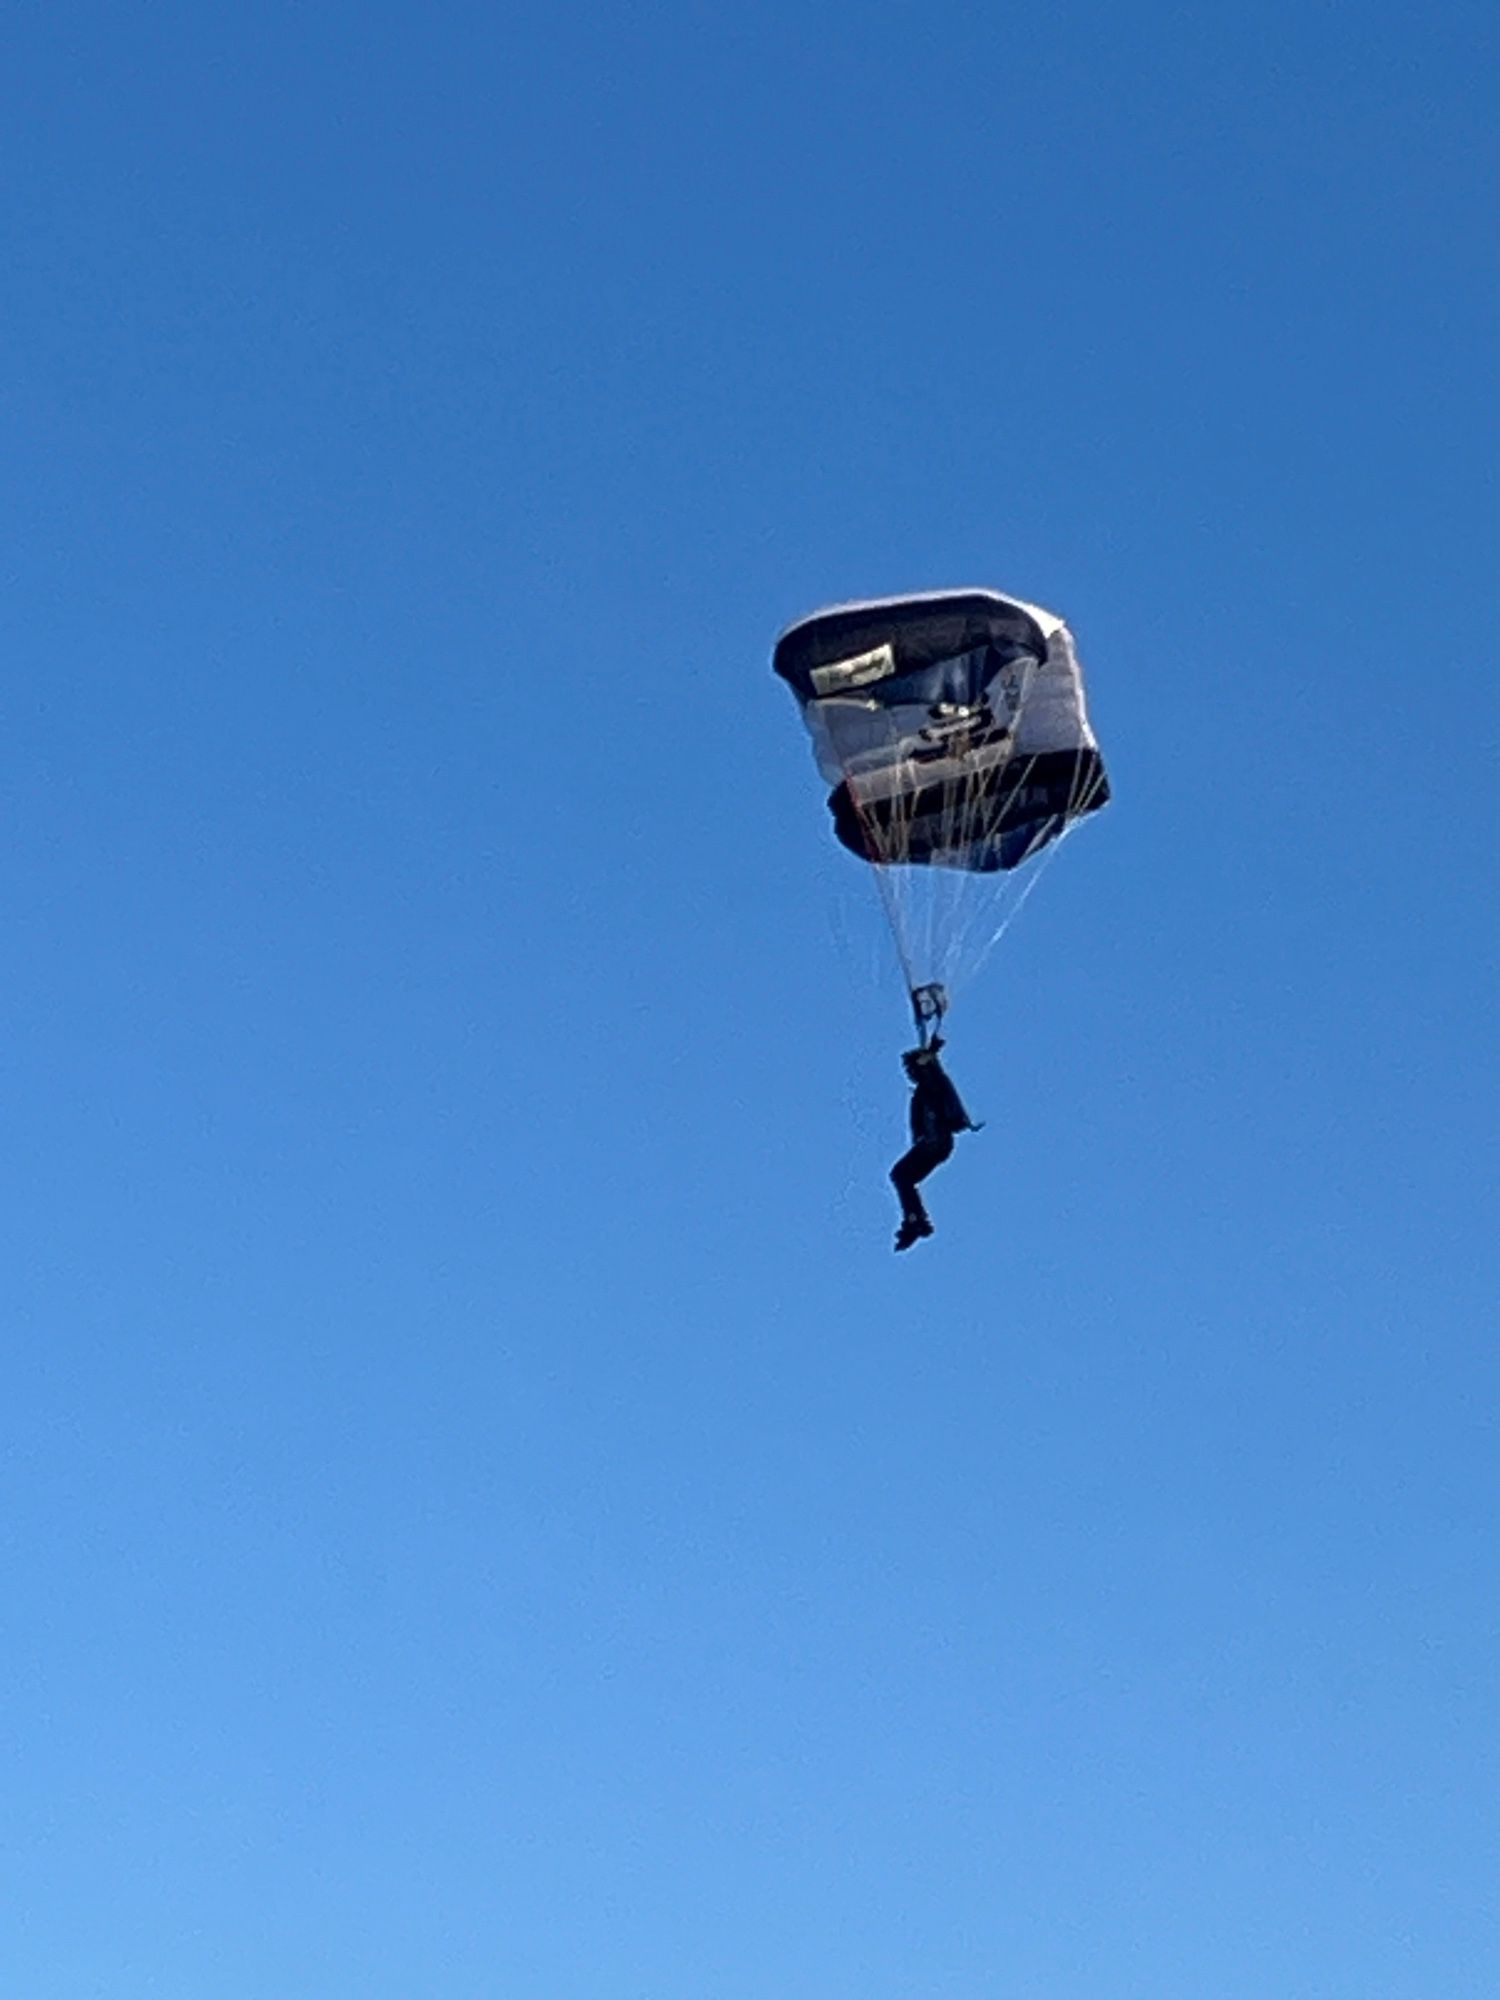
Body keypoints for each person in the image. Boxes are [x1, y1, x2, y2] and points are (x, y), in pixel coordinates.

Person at [890, 1038, 978, 1251]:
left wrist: (930, 1052)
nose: (909, 1073)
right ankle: (915, 1218)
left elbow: (929, 1069)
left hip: (935, 1142)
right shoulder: (927, 1088)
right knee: (904, 1178)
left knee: (901, 1175)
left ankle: (915, 1218)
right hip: (937, 1144)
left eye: (910, 1068)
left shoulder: (932, 1084)